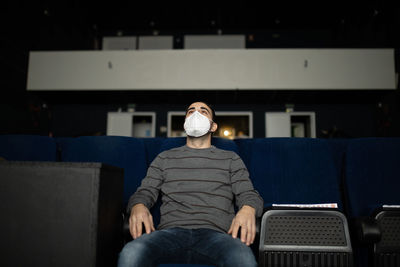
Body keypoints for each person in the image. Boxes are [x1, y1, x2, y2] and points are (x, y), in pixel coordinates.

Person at [118, 102, 264, 267]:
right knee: (131, 253)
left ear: (213, 126)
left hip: (217, 236)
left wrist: (248, 209)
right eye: (191, 111)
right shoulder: (165, 157)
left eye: (203, 111)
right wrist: (138, 205)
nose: (196, 114)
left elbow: (249, 194)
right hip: (169, 234)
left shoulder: (230, 158)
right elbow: (144, 191)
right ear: (185, 123)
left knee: (243, 259)